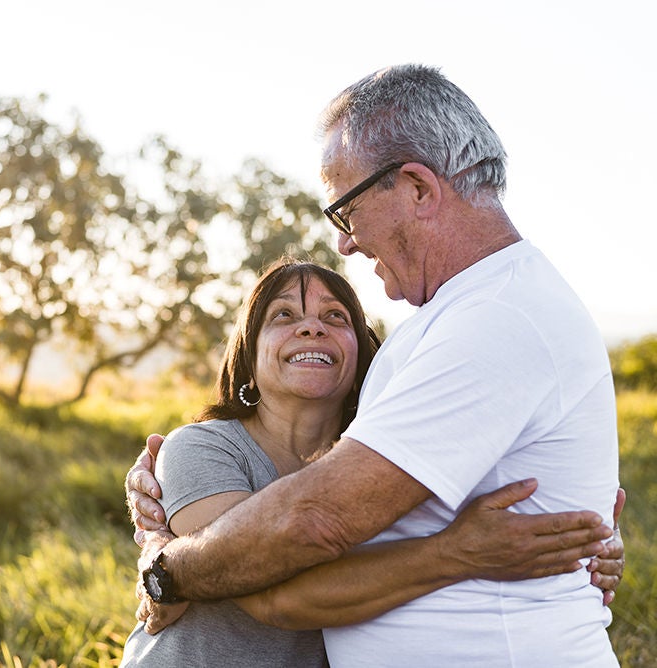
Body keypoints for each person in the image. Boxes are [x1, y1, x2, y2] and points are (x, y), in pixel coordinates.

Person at [126, 64, 623, 666]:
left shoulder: (497, 320)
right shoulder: (462, 316)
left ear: (415, 187)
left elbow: (312, 521)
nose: (346, 242)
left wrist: (167, 563)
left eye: (345, 209)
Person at [121, 256, 623, 667]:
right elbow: (264, 590)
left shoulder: (385, 463)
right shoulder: (202, 447)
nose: (312, 328)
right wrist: (459, 551)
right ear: (249, 356)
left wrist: (592, 541)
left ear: (364, 354)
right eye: (284, 316)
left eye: (335, 317)